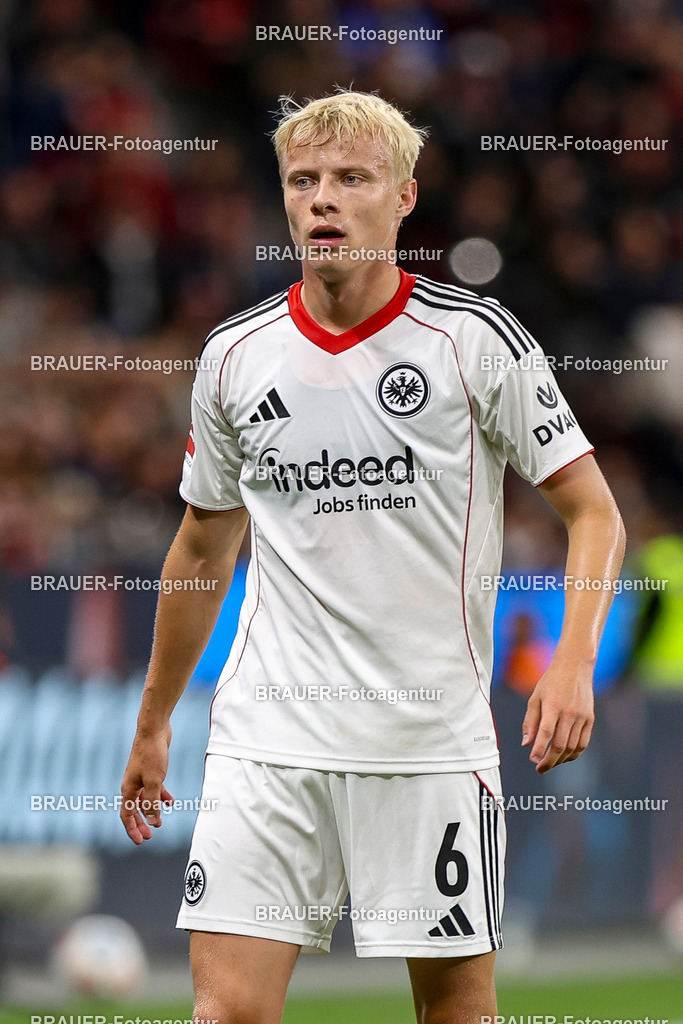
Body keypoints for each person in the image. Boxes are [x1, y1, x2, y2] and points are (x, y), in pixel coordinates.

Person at [120, 90, 626, 1024]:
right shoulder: (235, 357)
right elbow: (200, 546)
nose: (323, 200)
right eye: (303, 181)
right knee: (224, 1014)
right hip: (264, 742)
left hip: (426, 745)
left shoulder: (472, 340)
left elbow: (593, 514)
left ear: (402, 197)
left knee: (455, 1015)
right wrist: (154, 722)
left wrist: (571, 662)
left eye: (351, 179)